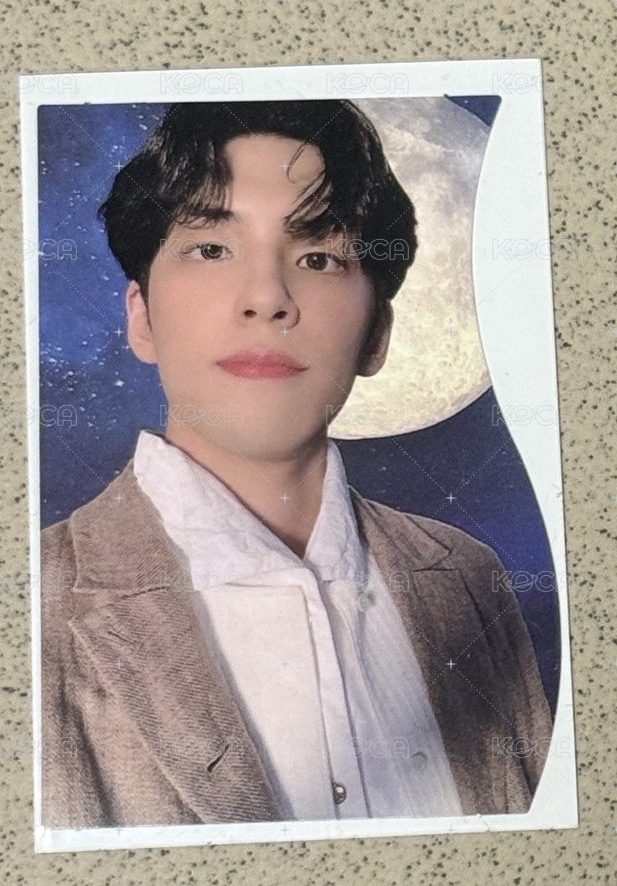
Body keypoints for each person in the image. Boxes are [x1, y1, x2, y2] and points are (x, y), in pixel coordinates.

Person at [40, 100, 553, 829]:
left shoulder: (469, 579)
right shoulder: (23, 608)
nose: (267, 299)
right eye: (211, 249)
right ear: (142, 316)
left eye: (318, 258)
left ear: (376, 335)